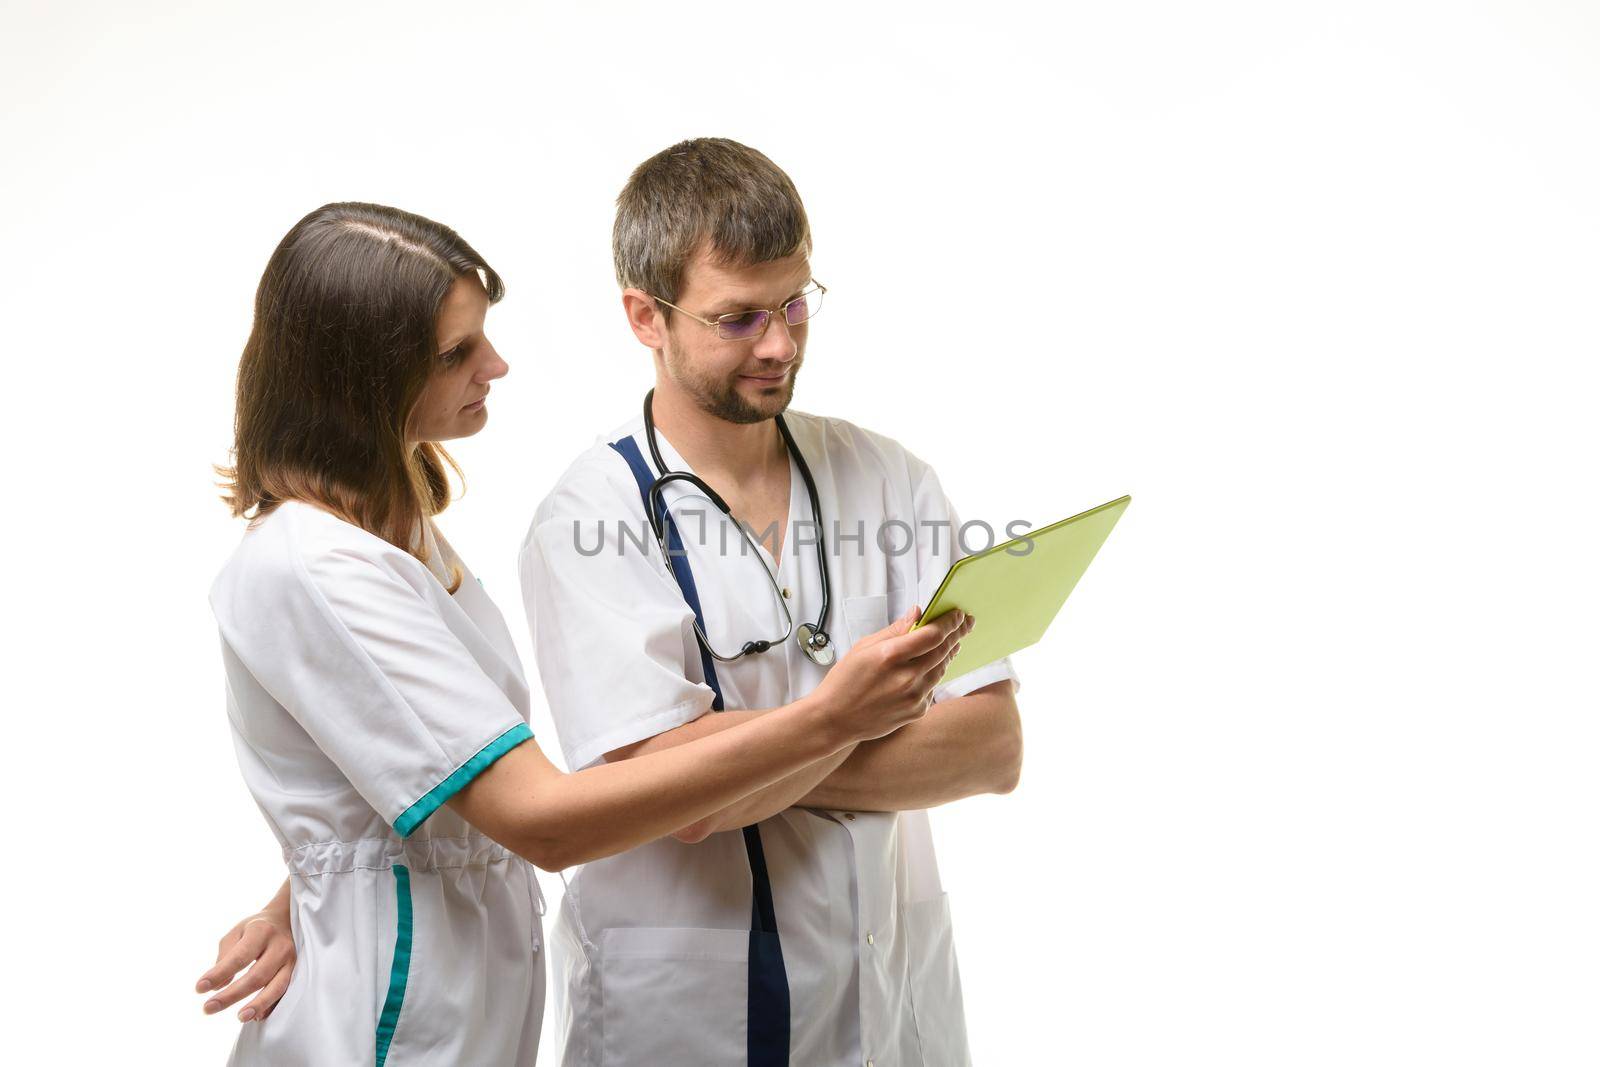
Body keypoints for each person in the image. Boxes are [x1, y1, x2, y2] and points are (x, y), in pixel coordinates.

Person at [196, 201, 972, 1066]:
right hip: (381, 1024)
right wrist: (834, 716)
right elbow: (545, 820)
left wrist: (305, 889)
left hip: (460, 1003)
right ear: (358, 379)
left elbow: (399, 769)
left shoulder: (397, 535)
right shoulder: (315, 563)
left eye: (793, 306)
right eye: (455, 353)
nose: (496, 363)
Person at [520, 139, 1023, 1067]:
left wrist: (728, 759)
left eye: (795, 303)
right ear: (645, 315)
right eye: (739, 318)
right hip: (686, 1014)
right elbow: (669, 801)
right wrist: (848, 719)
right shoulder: (589, 517)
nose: (781, 343)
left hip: (890, 997)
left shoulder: (891, 478)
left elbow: (991, 748)